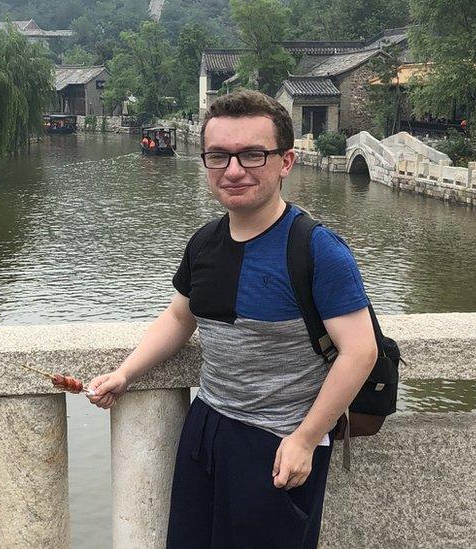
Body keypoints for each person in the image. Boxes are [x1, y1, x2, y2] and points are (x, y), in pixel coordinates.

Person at [87, 90, 377, 548]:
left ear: (285, 161)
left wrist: (305, 438)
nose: (234, 170)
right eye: (219, 156)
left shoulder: (315, 249)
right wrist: (125, 372)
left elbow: (360, 350)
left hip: (278, 439)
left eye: (252, 155)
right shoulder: (204, 243)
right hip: (207, 425)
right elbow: (180, 319)